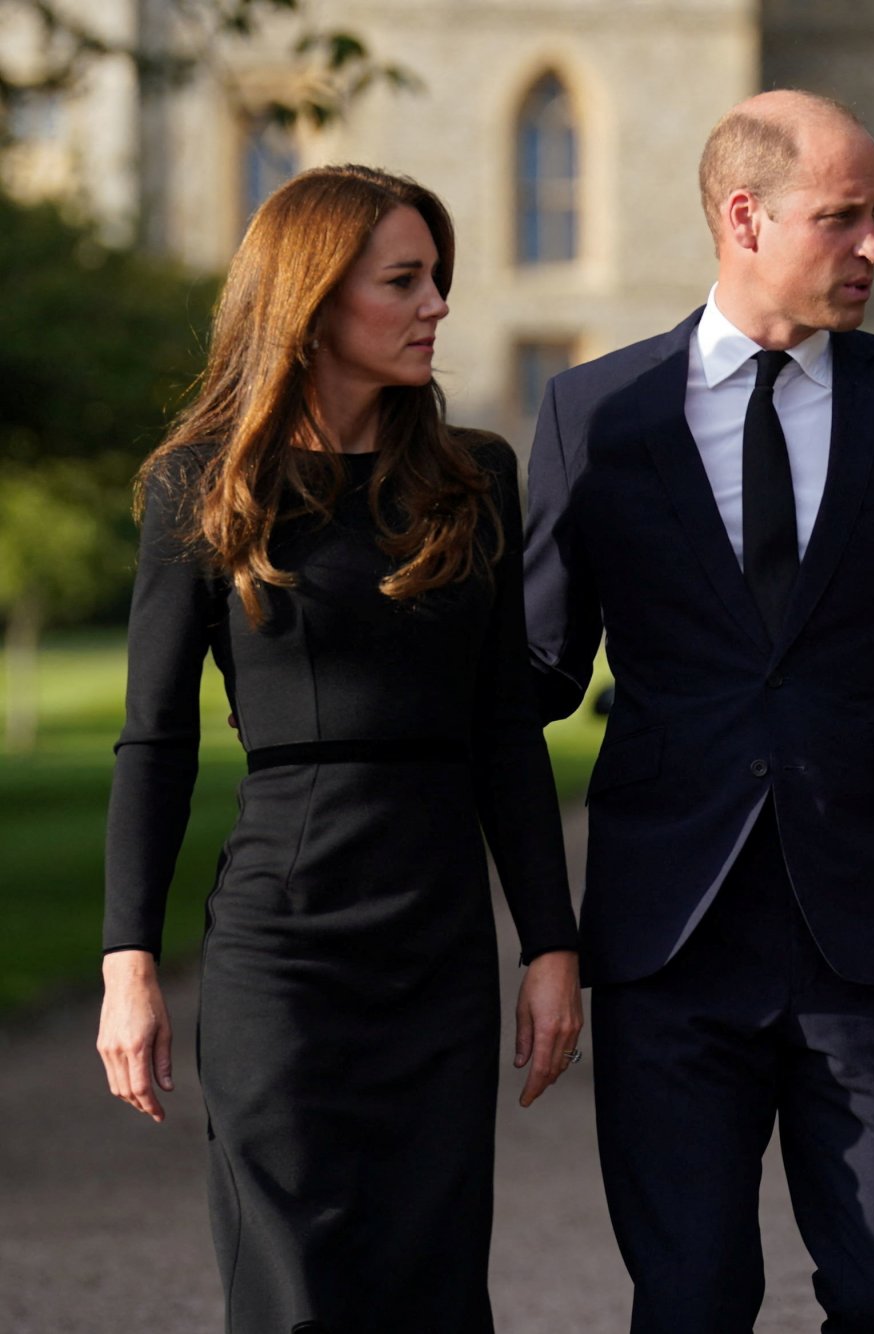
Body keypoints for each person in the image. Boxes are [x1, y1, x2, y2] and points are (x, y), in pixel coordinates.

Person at [520, 90, 874, 1332]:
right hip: (669, 938)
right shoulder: (598, 414)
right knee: (688, 1298)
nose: (873, 246)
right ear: (743, 218)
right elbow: (531, 676)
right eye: (841, 217)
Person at [96, 164, 583, 1332]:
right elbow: (155, 739)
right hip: (283, 944)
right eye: (403, 281)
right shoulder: (200, 485)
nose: (436, 305)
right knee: (293, 1285)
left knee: (430, 1279)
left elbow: (504, 729)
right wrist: (128, 962)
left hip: (438, 940)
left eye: (437, 278)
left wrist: (550, 942)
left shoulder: (476, 477)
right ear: (313, 301)